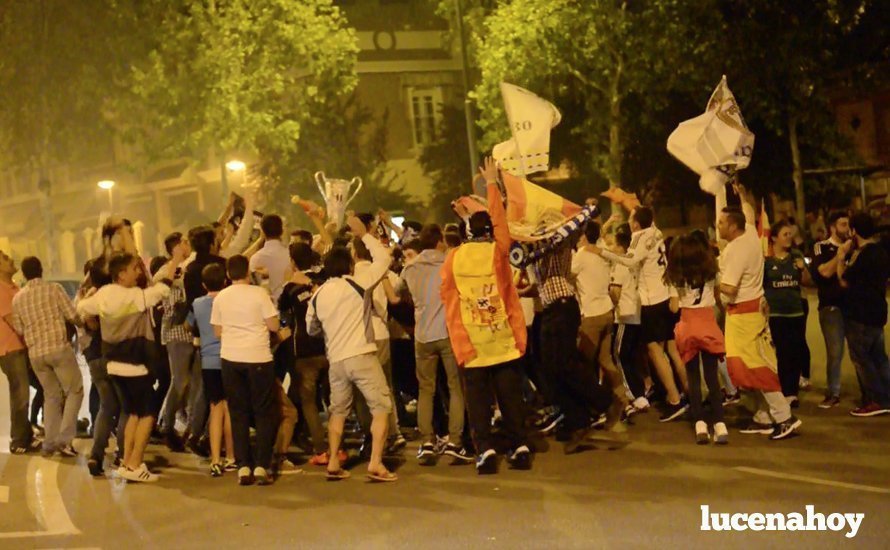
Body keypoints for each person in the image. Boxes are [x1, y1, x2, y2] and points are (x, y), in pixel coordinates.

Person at [440, 157, 534, 474]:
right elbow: (501, 224)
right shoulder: (498, 252)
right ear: (490, 232)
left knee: (478, 403)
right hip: (502, 340)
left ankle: (486, 452)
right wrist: (492, 183)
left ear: (465, 232)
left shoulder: (452, 259)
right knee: (510, 399)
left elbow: (448, 300)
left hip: (473, 345)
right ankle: (519, 446)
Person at [518, 197, 620, 454]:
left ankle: (604, 401)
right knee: (551, 369)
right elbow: (540, 284)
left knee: (564, 364)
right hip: (553, 308)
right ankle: (579, 419)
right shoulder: (536, 250)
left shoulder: (558, 241)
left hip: (564, 308)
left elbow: (576, 226)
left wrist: (586, 210)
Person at [307, 215, 398, 482]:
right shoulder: (358, 283)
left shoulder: (318, 294)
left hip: (336, 360)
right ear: (348, 264)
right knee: (381, 406)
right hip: (362, 354)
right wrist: (364, 235)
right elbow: (384, 260)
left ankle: (333, 460)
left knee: (338, 411)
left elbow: (312, 328)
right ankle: (376, 463)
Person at [77, 253, 171, 482]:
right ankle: (135, 462)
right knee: (147, 414)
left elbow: (81, 308)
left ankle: (128, 462)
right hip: (135, 364)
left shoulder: (103, 294)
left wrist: (89, 297)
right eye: (133, 269)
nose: (137, 272)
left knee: (130, 413)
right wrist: (175, 261)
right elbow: (161, 291)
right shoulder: (132, 296)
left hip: (113, 364)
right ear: (121, 274)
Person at [717, 184, 800, 441]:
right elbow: (749, 213)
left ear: (733, 227)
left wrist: (710, 276)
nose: (718, 226)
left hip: (742, 315)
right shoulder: (751, 234)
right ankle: (763, 416)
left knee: (754, 368)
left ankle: (784, 416)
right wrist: (742, 195)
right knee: (749, 366)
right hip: (753, 311)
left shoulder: (735, 251)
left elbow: (729, 288)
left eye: (721, 223)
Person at [593, 205, 689, 422]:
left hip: (652, 300)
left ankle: (675, 399)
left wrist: (603, 252)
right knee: (671, 351)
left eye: (631, 217)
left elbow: (629, 260)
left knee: (655, 351)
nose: (629, 221)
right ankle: (690, 394)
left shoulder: (639, 236)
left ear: (636, 223)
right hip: (664, 294)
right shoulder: (656, 232)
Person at [385, 225, 471, 465]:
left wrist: (381, 275)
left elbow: (395, 297)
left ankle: (427, 442)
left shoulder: (410, 268)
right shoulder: (449, 263)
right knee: (455, 388)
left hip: (422, 335)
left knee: (426, 390)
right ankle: (455, 441)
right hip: (446, 331)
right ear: (439, 241)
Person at [211, 255, 287, 486]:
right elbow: (274, 325)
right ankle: (262, 465)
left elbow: (217, 331)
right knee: (264, 411)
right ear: (247, 272)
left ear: (228, 274)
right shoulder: (259, 294)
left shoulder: (221, 297)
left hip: (231, 358)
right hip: (259, 357)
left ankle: (243, 465)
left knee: (238, 412)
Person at [11, 257, 84, 457]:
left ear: (24, 274)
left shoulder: (18, 298)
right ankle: (64, 439)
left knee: (51, 395)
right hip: (58, 349)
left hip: (36, 355)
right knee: (74, 390)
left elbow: (18, 328)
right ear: (41, 269)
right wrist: (83, 324)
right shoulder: (54, 289)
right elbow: (72, 315)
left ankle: (49, 442)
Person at [278, 242, 337, 466]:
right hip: (328, 346)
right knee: (332, 399)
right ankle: (336, 443)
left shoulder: (290, 288)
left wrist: (288, 281)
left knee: (309, 402)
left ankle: (321, 447)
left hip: (303, 351)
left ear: (292, 262)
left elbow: (282, 310)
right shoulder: (323, 280)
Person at [665, 234, 728, 444]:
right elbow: (719, 299)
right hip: (708, 324)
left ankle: (700, 423)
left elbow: (674, 307)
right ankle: (719, 423)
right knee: (711, 376)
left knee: (693, 378)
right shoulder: (711, 273)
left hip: (688, 326)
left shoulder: (676, 277)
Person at [837, 212, 890, 417]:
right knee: (880, 358)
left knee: (862, 358)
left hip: (860, 314)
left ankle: (875, 400)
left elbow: (843, 280)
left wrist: (842, 258)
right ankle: (886, 398)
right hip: (878, 311)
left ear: (854, 231)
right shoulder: (882, 252)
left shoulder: (863, 254)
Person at [573, 220, 629, 413]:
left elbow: (566, 275)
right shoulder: (602, 254)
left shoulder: (580, 256)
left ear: (582, 236)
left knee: (583, 363)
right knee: (606, 359)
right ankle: (623, 399)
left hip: (592, 314)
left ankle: (593, 405)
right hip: (607, 311)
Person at [188, 263, 235, 476]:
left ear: (204, 284)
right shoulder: (229, 301)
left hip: (208, 361)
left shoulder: (197, 304)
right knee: (231, 409)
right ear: (225, 281)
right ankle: (232, 456)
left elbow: (188, 325)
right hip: (230, 357)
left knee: (216, 408)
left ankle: (215, 458)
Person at [763, 220, 812, 407]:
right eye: (785, 234)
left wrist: (803, 269)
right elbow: (762, 285)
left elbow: (807, 281)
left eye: (790, 234)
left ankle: (792, 392)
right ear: (774, 237)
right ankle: (785, 389)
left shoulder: (796, 256)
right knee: (782, 352)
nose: (789, 237)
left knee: (795, 351)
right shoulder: (767, 260)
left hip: (796, 312)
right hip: (776, 314)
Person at [0, 250, 39, 454]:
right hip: (11, 349)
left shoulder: (14, 287)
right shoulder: (1, 289)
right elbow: (15, 322)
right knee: (20, 394)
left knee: (39, 387)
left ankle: (28, 434)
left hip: (24, 347)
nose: (10, 260)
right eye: (5, 259)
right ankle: (18, 440)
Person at [811, 211, 850, 408]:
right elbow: (824, 272)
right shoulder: (821, 247)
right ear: (833, 228)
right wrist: (841, 253)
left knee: (860, 353)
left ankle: (871, 394)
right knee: (835, 352)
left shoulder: (854, 246)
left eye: (848, 225)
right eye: (843, 225)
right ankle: (833, 392)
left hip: (853, 307)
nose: (847, 229)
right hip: (831, 307)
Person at [609, 225, 650, 411]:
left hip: (624, 316)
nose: (610, 247)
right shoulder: (633, 263)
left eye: (612, 244)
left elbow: (615, 292)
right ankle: (640, 392)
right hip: (636, 314)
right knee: (632, 356)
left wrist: (610, 302)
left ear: (620, 247)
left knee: (619, 355)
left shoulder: (621, 264)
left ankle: (633, 394)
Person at [249, 214, 291, 302]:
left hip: (265, 306)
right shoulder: (291, 255)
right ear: (282, 231)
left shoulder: (256, 259)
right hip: (288, 305)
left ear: (263, 232)